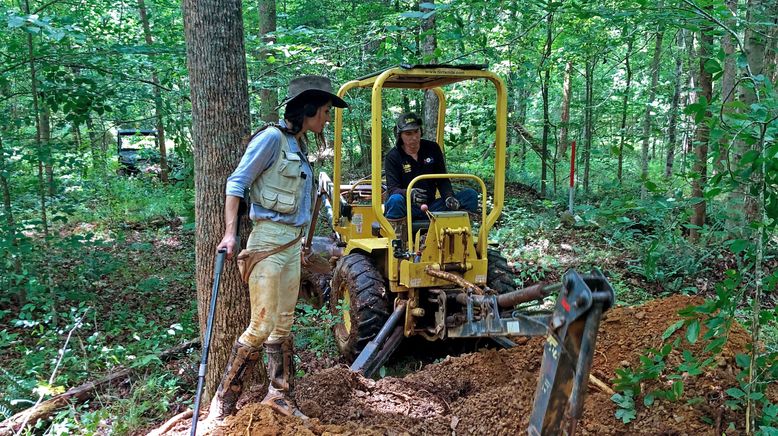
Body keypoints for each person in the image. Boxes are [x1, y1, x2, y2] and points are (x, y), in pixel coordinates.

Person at [204, 75, 347, 425]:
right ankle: (223, 403)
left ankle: (280, 395)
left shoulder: (298, 147)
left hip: (290, 244)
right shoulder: (271, 138)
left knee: (283, 324)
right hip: (267, 242)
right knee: (261, 324)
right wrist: (230, 233)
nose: (327, 118)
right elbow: (236, 182)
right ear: (308, 109)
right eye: (325, 111)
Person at [384, 112, 478, 229]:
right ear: (400, 135)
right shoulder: (393, 156)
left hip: (430, 207)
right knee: (395, 200)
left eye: (416, 132)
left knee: (470, 195)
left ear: (421, 131)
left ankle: (459, 236)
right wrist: (409, 193)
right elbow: (393, 189)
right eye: (408, 133)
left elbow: (442, 180)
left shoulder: (432, 148)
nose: (414, 137)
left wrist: (449, 197)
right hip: (407, 208)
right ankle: (397, 241)